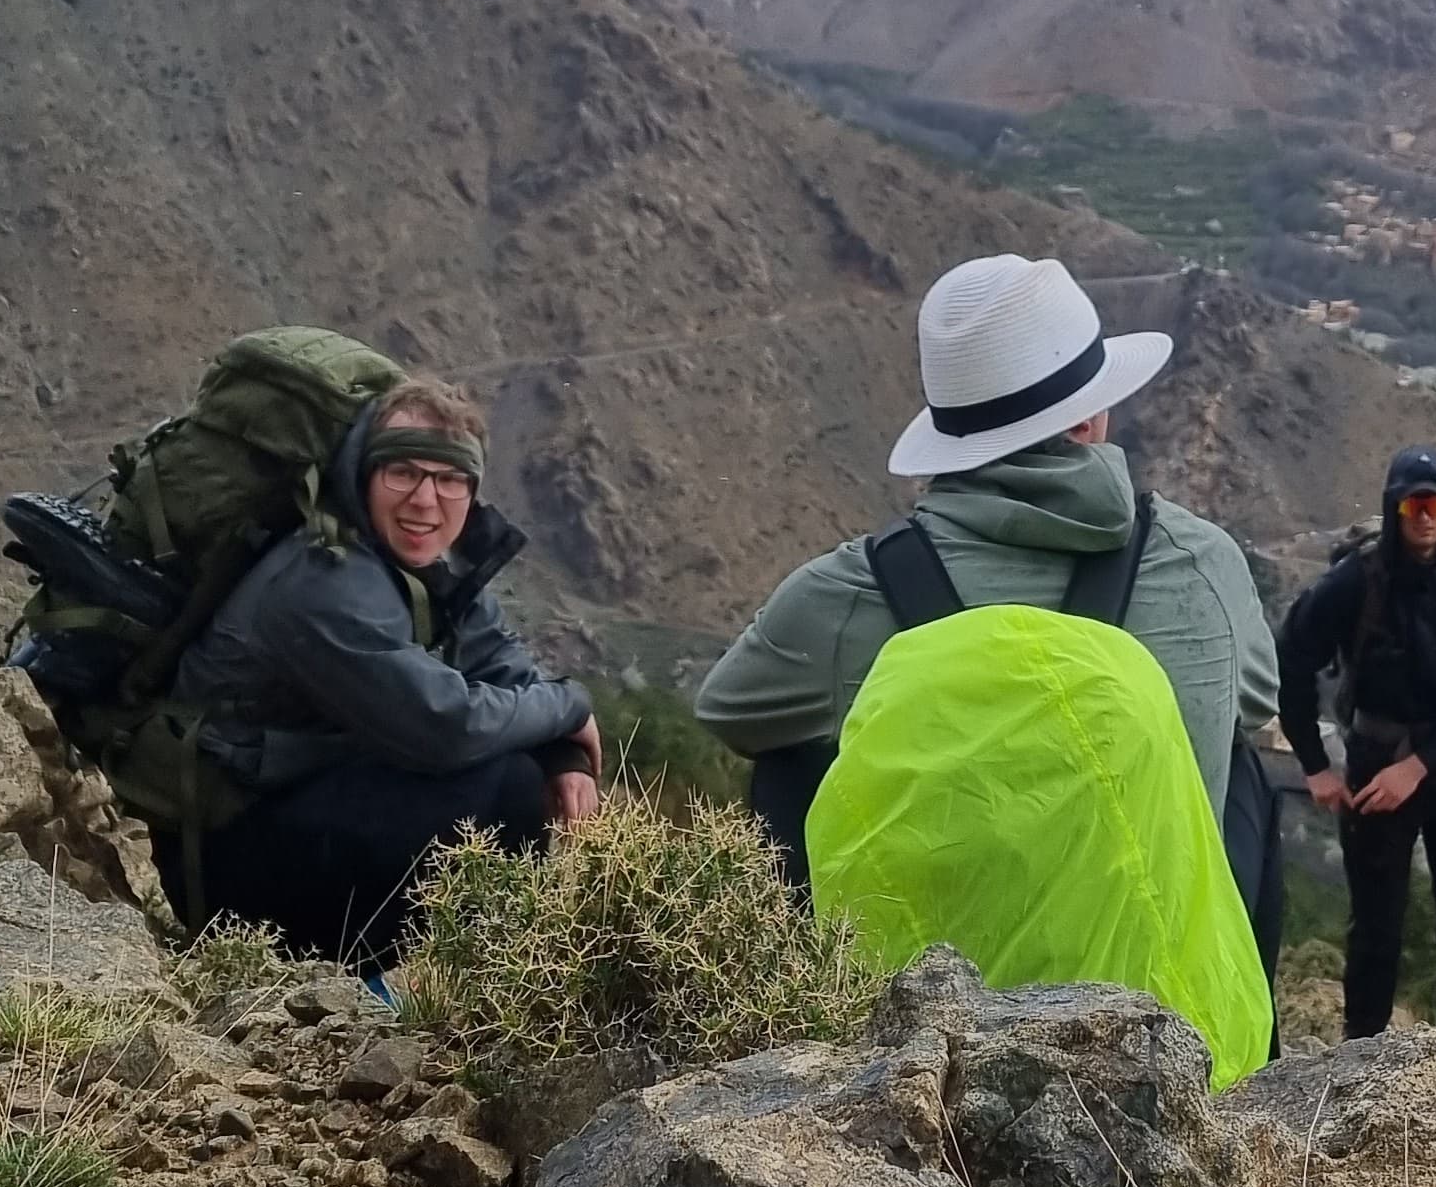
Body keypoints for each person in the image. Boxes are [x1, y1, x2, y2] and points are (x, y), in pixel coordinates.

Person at [694, 250, 1282, 845]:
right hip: (1153, 935)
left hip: (929, 939)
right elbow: (1256, 702)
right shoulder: (1203, 562)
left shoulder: (846, 595)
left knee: (788, 767)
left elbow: (732, 712)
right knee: (1243, 779)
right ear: (1084, 423)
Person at [174, 373, 602, 962]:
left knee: (518, 761)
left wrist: (563, 750)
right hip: (218, 860)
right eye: (403, 473)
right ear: (365, 475)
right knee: (507, 789)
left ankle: (424, 973)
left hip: (301, 802)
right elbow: (446, 728)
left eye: (450, 479)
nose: (425, 501)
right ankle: (350, 974)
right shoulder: (323, 579)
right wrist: (571, 708)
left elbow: (501, 664)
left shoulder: (415, 562)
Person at [1277, 445, 1436, 1036]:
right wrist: (1315, 765)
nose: (1425, 516)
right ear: (1394, 509)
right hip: (1373, 770)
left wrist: (1421, 764)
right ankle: (1361, 1074)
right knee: (1375, 937)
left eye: (1435, 503)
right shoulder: (1353, 583)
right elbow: (1293, 661)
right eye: (1412, 504)